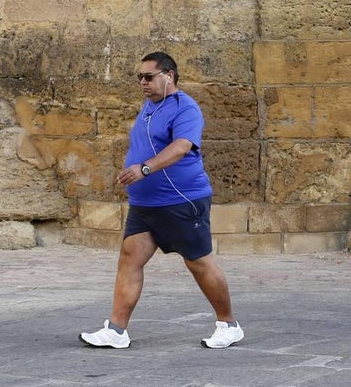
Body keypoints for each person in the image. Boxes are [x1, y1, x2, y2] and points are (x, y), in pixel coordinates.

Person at [79, 51, 244, 350]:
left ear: (169, 76)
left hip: (181, 201)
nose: (143, 82)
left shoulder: (186, 109)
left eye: (149, 77)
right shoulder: (149, 106)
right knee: (130, 258)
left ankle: (228, 324)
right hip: (146, 206)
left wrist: (143, 169)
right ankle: (117, 330)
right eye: (139, 77)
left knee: (198, 263)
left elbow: (181, 147)